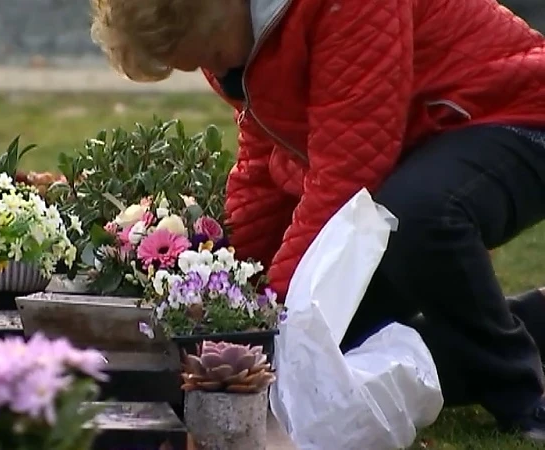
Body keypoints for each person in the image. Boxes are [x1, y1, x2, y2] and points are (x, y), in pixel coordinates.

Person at [89, 0, 545, 441]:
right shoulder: (236, 32)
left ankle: (522, 393)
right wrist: (237, 283)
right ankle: (534, 325)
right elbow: (264, 161)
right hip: (422, 154)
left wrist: (274, 320)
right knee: (324, 361)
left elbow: (347, 176)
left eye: (208, 53)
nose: (212, 68)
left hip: (516, 115)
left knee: (416, 218)